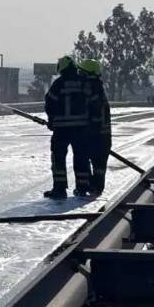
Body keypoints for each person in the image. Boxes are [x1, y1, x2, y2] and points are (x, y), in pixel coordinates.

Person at [43, 55, 94, 199]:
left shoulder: (58, 83)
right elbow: (92, 103)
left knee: (58, 159)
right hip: (81, 129)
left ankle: (59, 190)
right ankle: (83, 187)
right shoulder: (83, 82)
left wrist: (52, 120)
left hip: (61, 129)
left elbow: (49, 103)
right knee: (81, 158)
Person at [78, 59, 111, 196]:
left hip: (94, 133)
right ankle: (96, 186)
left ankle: (89, 186)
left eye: (81, 71)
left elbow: (91, 112)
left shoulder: (90, 89)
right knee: (99, 163)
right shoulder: (98, 87)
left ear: (88, 73)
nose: (79, 74)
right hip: (103, 135)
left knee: (87, 159)